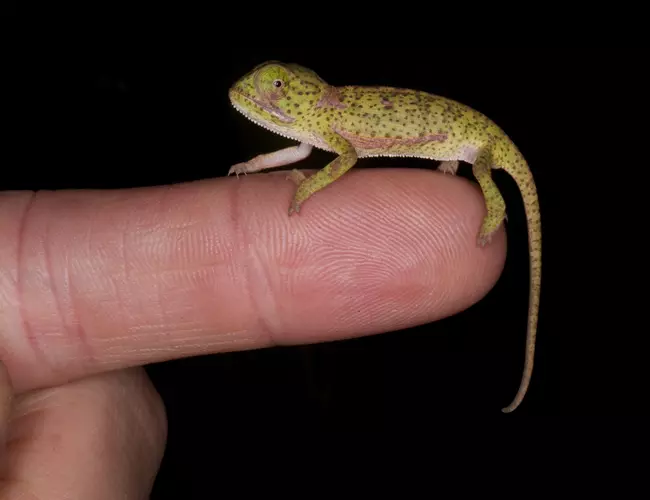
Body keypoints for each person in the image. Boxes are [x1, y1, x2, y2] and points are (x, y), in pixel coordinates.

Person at [0, 167, 505, 496]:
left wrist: (308, 186)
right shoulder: (315, 122)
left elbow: (344, 155)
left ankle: (495, 201)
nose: (269, 99)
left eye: (281, 89)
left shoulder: (332, 118)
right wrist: (262, 167)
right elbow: (302, 151)